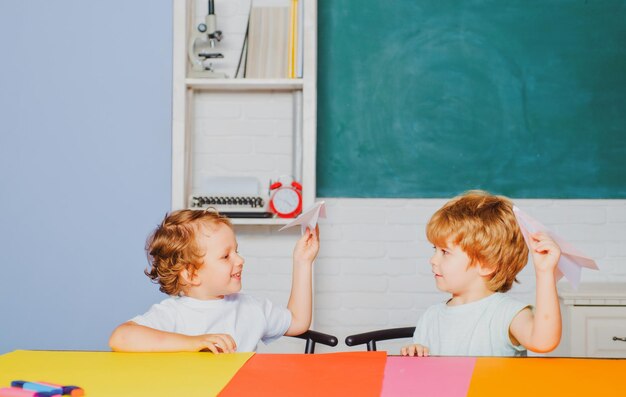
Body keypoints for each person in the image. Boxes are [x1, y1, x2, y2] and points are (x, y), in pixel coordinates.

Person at [109, 209, 320, 353]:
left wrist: (303, 262)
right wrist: (194, 343)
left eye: (236, 251)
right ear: (191, 274)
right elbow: (121, 337)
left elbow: (298, 322)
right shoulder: (173, 314)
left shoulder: (251, 308)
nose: (240, 260)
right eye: (225, 256)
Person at [401, 190, 561, 357]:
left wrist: (545, 273)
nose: (433, 260)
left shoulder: (507, 313)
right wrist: (415, 353)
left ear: (486, 264)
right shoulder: (430, 317)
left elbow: (544, 342)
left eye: (445, 252)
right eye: (435, 249)